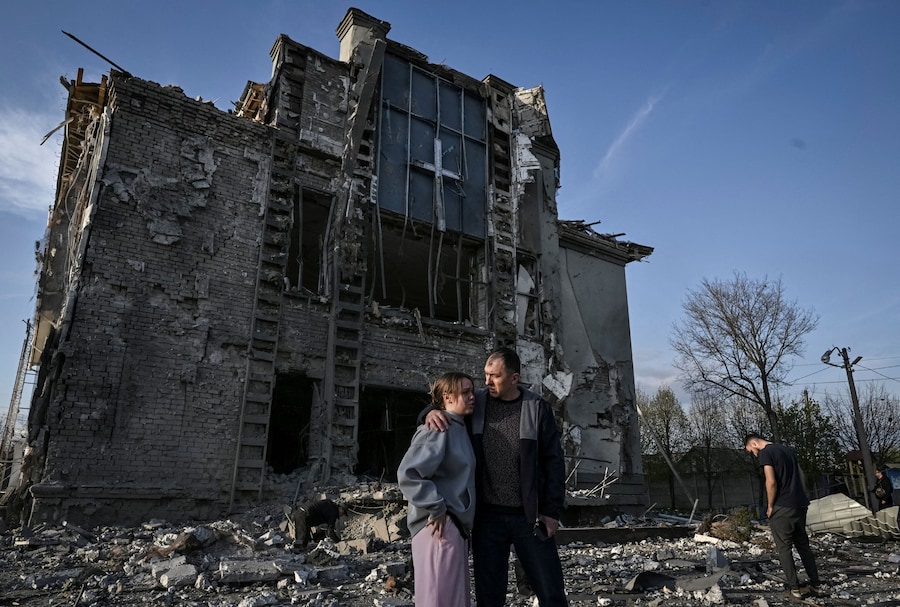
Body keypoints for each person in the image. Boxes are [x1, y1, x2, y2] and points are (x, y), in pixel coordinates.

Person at [425, 347, 568, 607]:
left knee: (551, 590)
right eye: (486, 375)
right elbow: (446, 406)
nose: (488, 381)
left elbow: (554, 463)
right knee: (489, 597)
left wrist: (551, 511)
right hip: (487, 517)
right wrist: (428, 413)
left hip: (528, 517)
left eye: (495, 376)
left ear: (515, 378)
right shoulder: (476, 402)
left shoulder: (536, 408)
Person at [398, 372, 477, 607]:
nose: (472, 396)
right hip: (439, 526)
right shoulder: (438, 428)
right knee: (438, 600)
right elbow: (408, 473)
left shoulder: (459, 427)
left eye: (472, 391)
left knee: (451, 600)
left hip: (453, 526)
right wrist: (436, 507)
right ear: (447, 397)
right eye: (465, 392)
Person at [744, 433, 822, 600]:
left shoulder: (766, 453)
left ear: (754, 443)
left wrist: (770, 505)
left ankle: (794, 589)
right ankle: (815, 584)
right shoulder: (787, 450)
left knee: (784, 548)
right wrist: (802, 496)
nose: (754, 455)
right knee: (803, 545)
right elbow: (801, 475)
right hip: (799, 505)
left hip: (782, 507)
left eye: (751, 451)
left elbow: (771, 481)